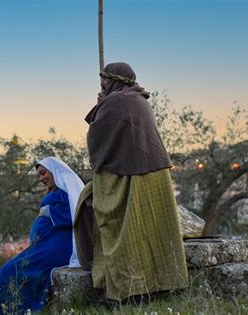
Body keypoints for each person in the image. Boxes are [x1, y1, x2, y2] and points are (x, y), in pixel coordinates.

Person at [74, 62, 188, 302]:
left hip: (131, 174)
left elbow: (98, 133)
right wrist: (102, 104)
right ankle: (162, 284)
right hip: (153, 172)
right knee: (150, 230)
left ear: (115, 80)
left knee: (112, 222)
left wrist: (100, 104)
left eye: (104, 80)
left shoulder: (117, 101)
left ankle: (123, 288)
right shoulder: (138, 99)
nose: (102, 84)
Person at [0, 157, 84, 314]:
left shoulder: (67, 191)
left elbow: (77, 213)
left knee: (9, 272)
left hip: (57, 248)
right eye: (39, 176)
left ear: (55, 171)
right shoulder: (57, 192)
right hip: (46, 245)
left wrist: (49, 212)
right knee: (9, 272)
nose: (41, 179)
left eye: (43, 173)